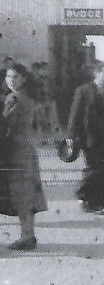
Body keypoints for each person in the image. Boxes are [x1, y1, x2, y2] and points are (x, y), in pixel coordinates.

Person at [0, 63, 47, 251]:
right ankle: (29, 234)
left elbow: (5, 125)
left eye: (15, 77)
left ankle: (26, 237)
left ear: (24, 79)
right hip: (28, 149)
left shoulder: (13, 99)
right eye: (8, 77)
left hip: (15, 151)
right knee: (28, 194)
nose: (11, 80)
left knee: (20, 195)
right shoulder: (29, 98)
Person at [66, 61, 104, 213]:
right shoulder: (83, 91)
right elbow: (75, 114)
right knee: (93, 168)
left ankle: (98, 204)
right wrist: (70, 135)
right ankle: (83, 196)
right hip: (89, 136)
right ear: (96, 73)